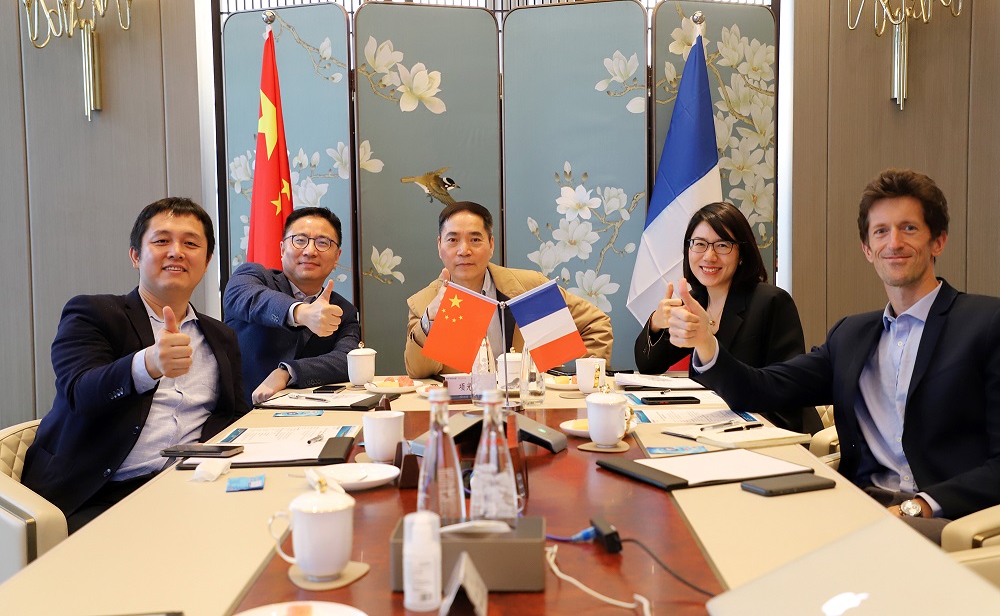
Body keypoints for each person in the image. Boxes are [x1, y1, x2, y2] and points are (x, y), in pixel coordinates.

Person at [671, 169, 1000, 540]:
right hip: (858, 503)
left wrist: (918, 506)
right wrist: (705, 342)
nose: (894, 242)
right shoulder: (851, 335)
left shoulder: (986, 323)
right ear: (867, 249)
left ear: (938, 241)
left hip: (949, 521)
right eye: (881, 231)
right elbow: (761, 388)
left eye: (908, 228)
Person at [21, 198, 249, 533]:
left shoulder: (221, 335)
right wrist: (148, 364)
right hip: (99, 493)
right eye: (162, 241)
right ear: (135, 256)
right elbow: (80, 394)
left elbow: (233, 414)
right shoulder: (93, 314)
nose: (176, 252)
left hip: (192, 483)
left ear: (207, 261)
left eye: (190, 243)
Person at [634, 202, 822, 434]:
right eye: (699, 244)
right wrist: (656, 323)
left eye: (722, 245)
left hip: (768, 429)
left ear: (742, 254)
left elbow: (787, 390)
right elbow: (649, 366)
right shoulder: (696, 302)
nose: (709, 256)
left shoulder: (771, 301)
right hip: (709, 427)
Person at [405, 201, 614, 379]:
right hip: (461, 409)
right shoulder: (424, 303)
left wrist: (586, 380)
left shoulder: (529, 288)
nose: (464, 250)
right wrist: (430, 320)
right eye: (453, 240)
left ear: (491, 245)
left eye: (475, 240)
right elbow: (418, 372)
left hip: (528, 405)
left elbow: (596, 324)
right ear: (439, 245)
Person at [224, 207, 361, 404]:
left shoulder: (343, 311)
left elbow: (347, 359)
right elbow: (243, 297)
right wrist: (301, 312)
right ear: (282, 249)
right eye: (300, 240)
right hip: (243, 412)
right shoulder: (253, 278)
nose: (310, 251)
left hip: (312, 415)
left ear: (337, 257)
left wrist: (288, 372)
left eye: (323, 243)